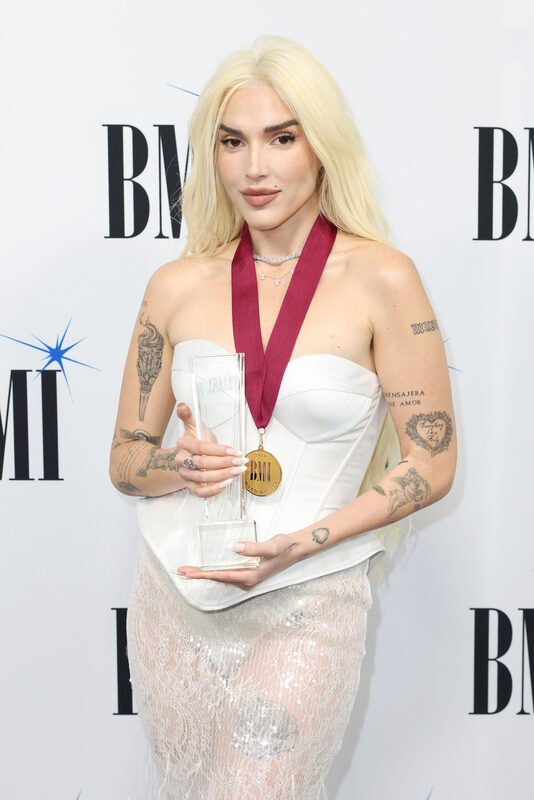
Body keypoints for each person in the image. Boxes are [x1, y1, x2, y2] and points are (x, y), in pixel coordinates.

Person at [110, 35, 456, 800]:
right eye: (232, 142)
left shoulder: (383, 278)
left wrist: (306, 541)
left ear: (321, 145)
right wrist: (178, 465)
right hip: (179, 590)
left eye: (281, 138)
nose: (254, 167)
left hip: (311, 590)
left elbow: (429, 462)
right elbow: (127, 460)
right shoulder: (175, 284)